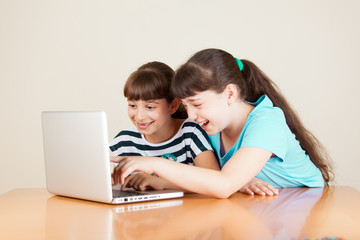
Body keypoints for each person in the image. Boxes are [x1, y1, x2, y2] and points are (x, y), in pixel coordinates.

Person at [113, 49, 333, 198]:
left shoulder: (267, 123)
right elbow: (211, 178)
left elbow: (224, 184)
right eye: (187, 106)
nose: (190, 115)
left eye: (197, 104)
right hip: (261, 204)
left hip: (309, 204)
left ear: (229, 94)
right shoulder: (210, 126)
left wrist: (154, 164)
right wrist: (160, 183)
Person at [110, 61, 220, 191]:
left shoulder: (191, 133)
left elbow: (213, 181)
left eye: (150, 107)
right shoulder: (124, 141)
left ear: (173, 105)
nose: (139, 116)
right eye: (133, 105)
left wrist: (162, 183)